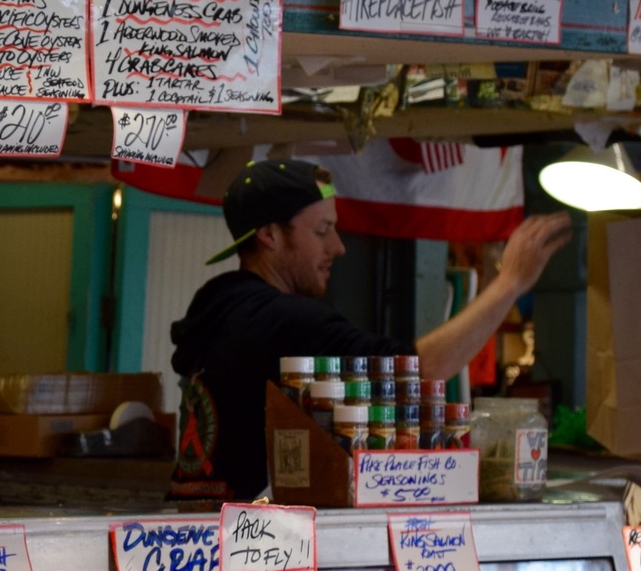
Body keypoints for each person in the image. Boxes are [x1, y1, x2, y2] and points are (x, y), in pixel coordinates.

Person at [167, 160, 571, 500]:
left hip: (196, 522)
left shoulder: (218, 306)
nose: (339, 247)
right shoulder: (280, 320)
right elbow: (418, 373)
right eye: (321, 231)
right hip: (242, 541)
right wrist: (509, 283)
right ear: (270, 235)